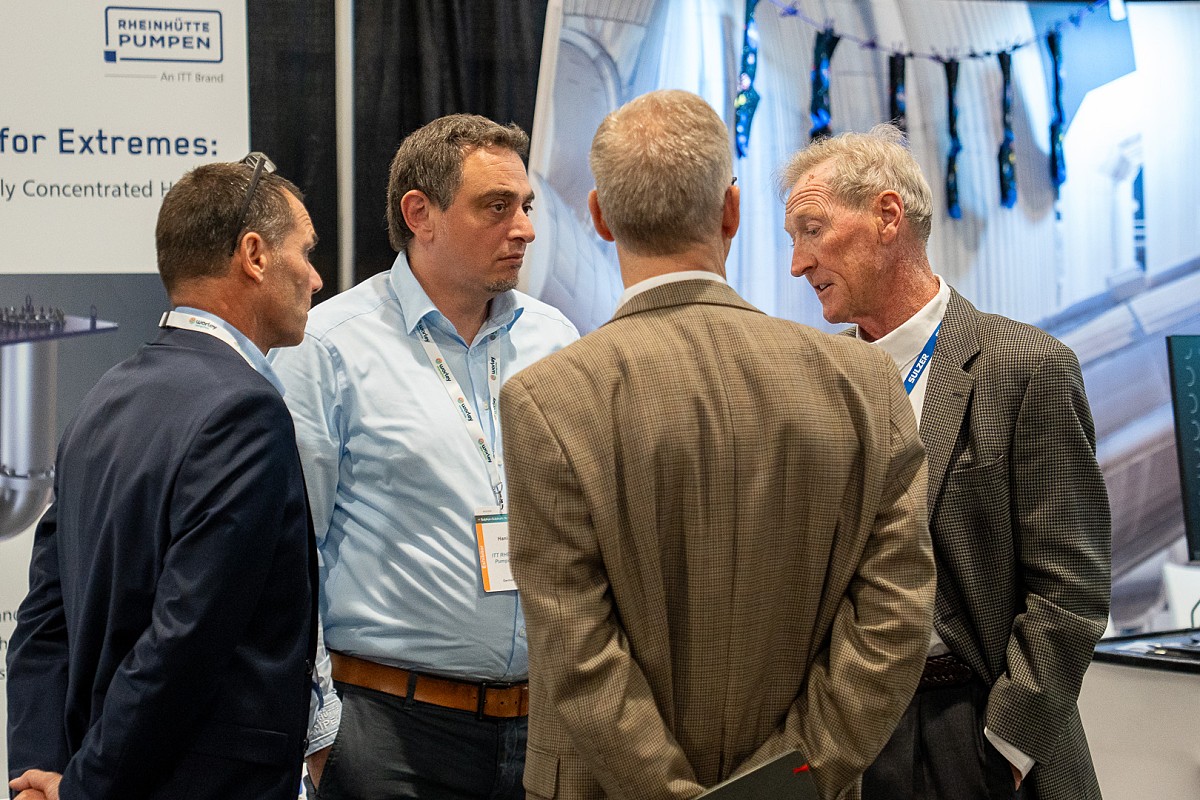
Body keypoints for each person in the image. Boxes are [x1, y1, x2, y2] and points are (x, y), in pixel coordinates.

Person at [500, 89, 936, 800]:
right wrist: (785, 787)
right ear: (732, 210)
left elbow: (575, 650)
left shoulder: (549, 401)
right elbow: (894, 619)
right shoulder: (863, 383)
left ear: (600, 217)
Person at [781, 124, 1111, 800]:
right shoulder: (813, 383)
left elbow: (1070, 587)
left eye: (812, 230)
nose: (797, 263)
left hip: (977, 733)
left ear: (887, 216)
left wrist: (1007, 746)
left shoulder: (1027, 367)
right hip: (851, 744)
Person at [268, 114, 578, 799]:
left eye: (526, 206)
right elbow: (288, 556)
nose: (524, 229)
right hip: (389, 729)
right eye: (496, 207)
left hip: (543, 729)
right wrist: (321, 734)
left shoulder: (555, 339)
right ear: (420, 215)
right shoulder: (329, 346)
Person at [6, 155, 326, 800]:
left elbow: (42, 622)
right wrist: (82, 789)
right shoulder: (246, 411)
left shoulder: (101, 399)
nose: (317, 279)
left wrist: (40, 777)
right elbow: (185, 639)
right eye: (306, 251)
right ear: (254, 255)